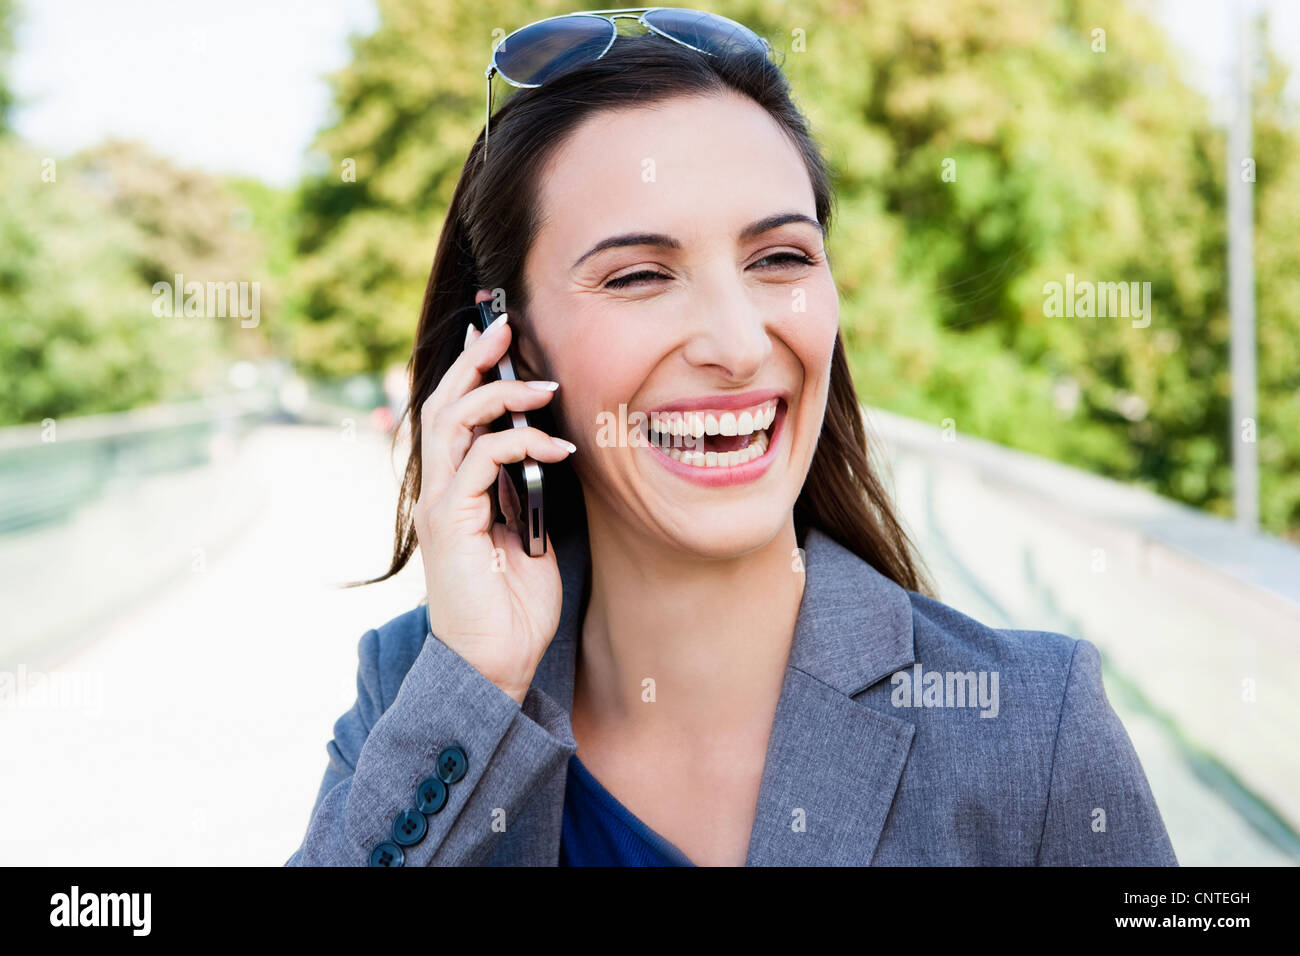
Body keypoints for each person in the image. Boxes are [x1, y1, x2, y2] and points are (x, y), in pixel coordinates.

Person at [285, 8, 1176, 867]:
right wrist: (476, 690)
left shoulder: (1033, 727)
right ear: (504, 343)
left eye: (779, 259)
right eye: (638, 276)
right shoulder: (426, 688)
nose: (740, 344)